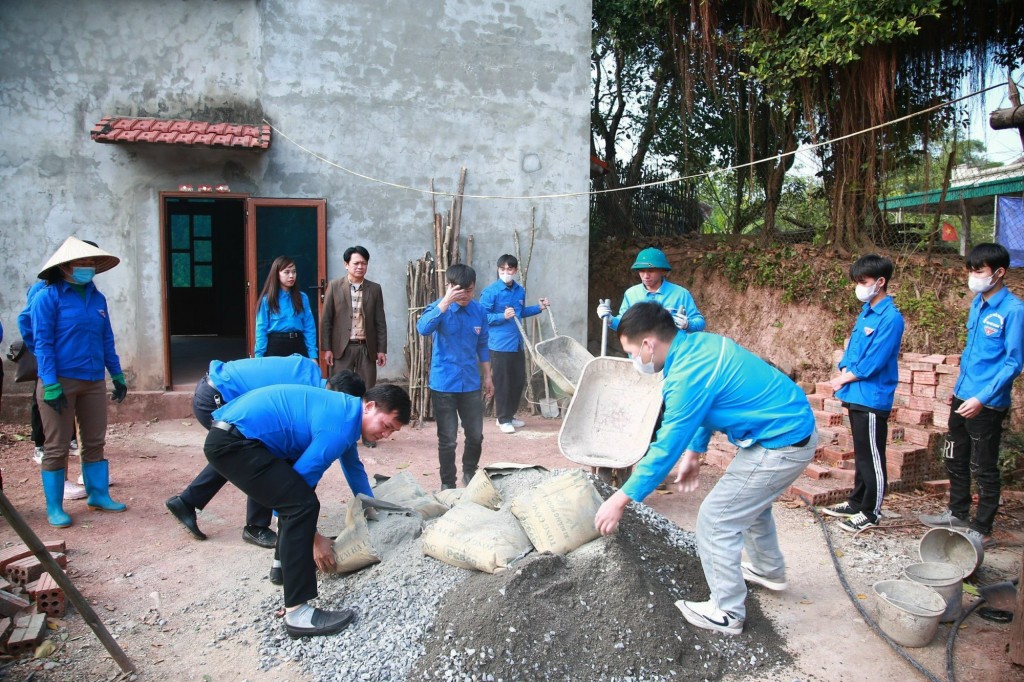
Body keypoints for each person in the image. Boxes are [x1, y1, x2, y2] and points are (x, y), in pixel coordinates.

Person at [594, 302, 817, 636]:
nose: (633, 361)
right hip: (787, 426)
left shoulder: (685, 376)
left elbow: (665, 447)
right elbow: (707, 406)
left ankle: (727, 612)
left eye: (630, 353)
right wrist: (696, 453)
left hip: (783, 441)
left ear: (647, 344)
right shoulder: (701, 346)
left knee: (716, 519)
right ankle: (768, 569)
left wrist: (621, 498)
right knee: (749, 504)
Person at [203, 382, 410, 638]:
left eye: (392, 432)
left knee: (297, 501)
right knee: (301, 505)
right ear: (369, 406)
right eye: (387, 426)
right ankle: (298, 615)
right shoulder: (340, 426)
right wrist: (315, 540)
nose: (386, 435)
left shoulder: (346, 412)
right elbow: (298, 487)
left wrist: (371, 507)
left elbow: (353, 467)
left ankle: (282, 566)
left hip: (240, 438)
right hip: (235, 444)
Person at [165, 355, 352, 546]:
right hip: (217, 397)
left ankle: (186, 502)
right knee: (256, 455)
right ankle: (256, 526)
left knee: (240, 454)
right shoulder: (307, 393)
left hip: (211, 387)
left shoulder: (310, 371)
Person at [920, 243, 1024, 548]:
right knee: (955, 455)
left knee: (984, 466)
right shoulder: (978, 303)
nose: (973, 276)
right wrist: (960, 393)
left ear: (999, 272)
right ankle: (957, 512)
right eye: (971, 270)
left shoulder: (1014, 310)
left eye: (978, 271)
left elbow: (1013, 363)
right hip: (962, 395)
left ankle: (982, 527)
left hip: (986, 403)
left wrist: (982, 398)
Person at [31, 237, 128, 528]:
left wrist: (117, 374)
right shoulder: (47, 298)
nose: (87, 268)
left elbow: (106, 338)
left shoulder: (97, 298)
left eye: (90, 263)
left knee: (95, 441)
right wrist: (49, 383)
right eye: (81, 263)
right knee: (57, 445)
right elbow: (42, 344)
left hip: (93, 380)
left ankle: (98, 494)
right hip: (59, 382)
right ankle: (54, 507)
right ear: (64, 268)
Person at [823, 255, 905, 532]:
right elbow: (853, 350)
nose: (859, 287)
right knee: (860, 452)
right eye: (857, 282)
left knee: (872, 456)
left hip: (872, 396)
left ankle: (872, 511)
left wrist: (843, 377)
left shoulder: (891, 318)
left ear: (881, 282)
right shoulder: (867, 311)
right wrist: (845, 369)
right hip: (856, 393)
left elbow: (875, 360)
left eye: (864, 282)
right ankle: (857, 501)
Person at [416, 263, 493, 489]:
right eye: (460, 290)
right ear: (449, 287)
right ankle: (447, 485)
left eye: (469, 290)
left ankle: (469, 473)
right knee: (448, 440)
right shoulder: (438, 308)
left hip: (470, 383)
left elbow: (483, 345)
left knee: (476, 435)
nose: (466, 296)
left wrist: (488, 376)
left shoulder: (479, 311)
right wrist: (445, 302)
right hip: (444, 384)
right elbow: (422, 329)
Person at [19, 277, 85, 500]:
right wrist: (42, 361)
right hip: (53, 371)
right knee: (55, 438)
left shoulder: (89, 291)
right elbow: (29, 326)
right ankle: (58, 492)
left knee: (83, 433)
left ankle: (91, 482)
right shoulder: (43, 291)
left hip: (82, 371)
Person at [320, 246, 387, 447]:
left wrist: (381, 349)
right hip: (342, 348)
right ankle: (338, 432)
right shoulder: (334, 286)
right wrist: (327, 348)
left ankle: (367, 433)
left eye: (364, 263)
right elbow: (326, 321)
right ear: (346, 264)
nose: (360, 267)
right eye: (356, 263)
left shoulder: (374, 289)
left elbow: (380, 321)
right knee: (339, 390)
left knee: (368, 390)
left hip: (367, 347)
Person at [479, 254, 550, 434]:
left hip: (517, 343)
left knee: (518, 381)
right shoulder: (490, 291)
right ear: (498, 270)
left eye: (509, 269)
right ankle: (502, 419)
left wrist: (539, 308)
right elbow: (481, 317)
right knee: (503, 383)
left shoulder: (519, 291)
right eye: (502, 270)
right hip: (499, 345)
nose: (506, 273)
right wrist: (502, 316)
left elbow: (520, 312)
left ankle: (509, 416)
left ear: (515, 270)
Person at [596, 247, 705, 333]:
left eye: (651, 271)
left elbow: (700, 322)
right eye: (642, 271)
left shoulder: (680, 294)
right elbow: (624, 324)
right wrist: (610, 320)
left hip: (672, 355)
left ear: (662, 271)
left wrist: (688, 325)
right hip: (639, 355)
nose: (646, 275)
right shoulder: (631, 294)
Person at [254, 256, 317, 359]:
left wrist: (313, 355)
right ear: (277, 274)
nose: (291, 276)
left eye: (294, 272)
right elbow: (261, 329)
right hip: (275, 346)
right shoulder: (267, 300)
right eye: (287, 272)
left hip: (298, 344)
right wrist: (259, 356)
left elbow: (309, 327)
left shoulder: (302, 298)